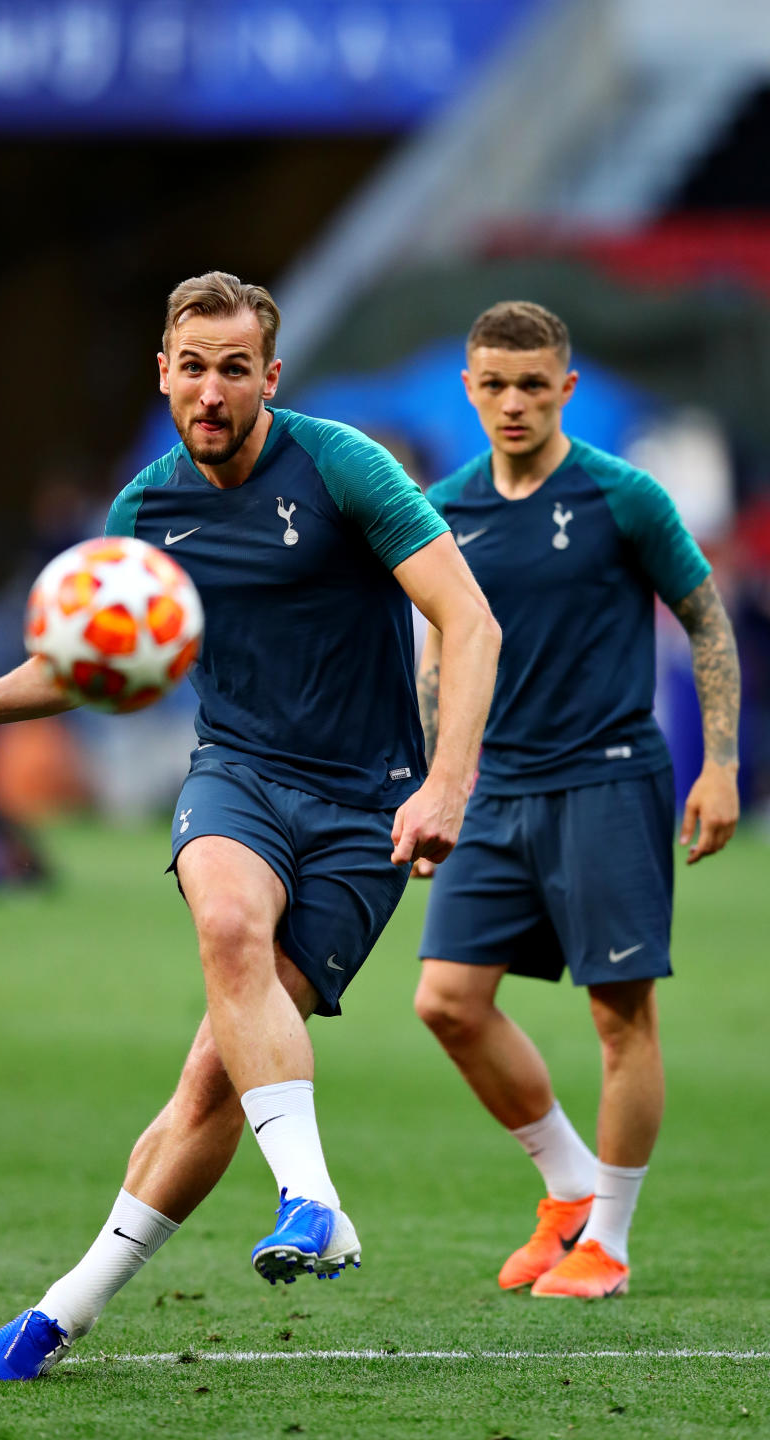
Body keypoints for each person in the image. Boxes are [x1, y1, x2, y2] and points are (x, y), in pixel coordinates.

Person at [0, 271, 501, 1379]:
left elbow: (470, 619)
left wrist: (446, 784)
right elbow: (78, 661)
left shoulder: (343, 467)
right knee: (226, 924)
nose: (210, 390)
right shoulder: (144, 513)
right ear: (162, 373)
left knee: (215, 1080)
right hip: (239, 776)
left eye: (233, 368)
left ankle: (61, 1314)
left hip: (367, 807)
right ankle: (310, 1197)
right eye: (191, 367)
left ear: (270, 375)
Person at [413, 301, 740, 1299]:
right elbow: (436, 643)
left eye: (533, 384)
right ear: (469, 388)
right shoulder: (444, 507)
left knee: (619, 1017)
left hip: (606, 774)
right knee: (448, 1002)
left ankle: (611, 1242)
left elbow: (708, 623)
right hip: (493, 786)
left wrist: (721, 764)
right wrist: (439, 778)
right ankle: (567, 1187)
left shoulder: (621, 496)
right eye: (494, 385)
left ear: (567, 387)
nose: (513, 403)